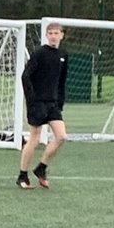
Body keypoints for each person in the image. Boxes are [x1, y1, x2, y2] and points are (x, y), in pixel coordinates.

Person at [18, 21, 68, 189]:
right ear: (47, 35)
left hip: (53, 104)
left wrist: (60, 102)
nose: (53, 36)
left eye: (56, 33)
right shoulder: (39, 53)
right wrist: (31, 100)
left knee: (61, 137)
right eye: (51, 33)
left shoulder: (63, 55)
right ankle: (22, 175)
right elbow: (25, 76)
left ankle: (41, 168)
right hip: (37, 103)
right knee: (35, 138)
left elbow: (61, 82)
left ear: (62, 35)